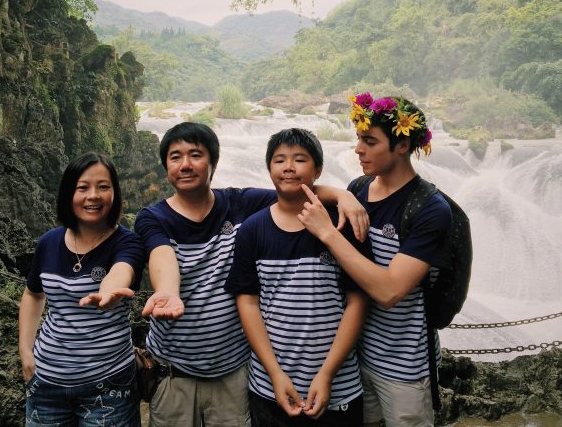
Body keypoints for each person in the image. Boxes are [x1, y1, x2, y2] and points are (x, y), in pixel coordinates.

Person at [134, 122, 369, 427]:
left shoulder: (242, 204)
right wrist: (167, 290)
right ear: (166, 167)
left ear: (213, 163)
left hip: (234, 373)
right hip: (173, 373)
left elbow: (292, 189)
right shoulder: (153, 217)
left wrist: (343, 196)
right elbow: (161, 254)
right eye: (175, 157)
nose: (186, 165)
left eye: (196, 155)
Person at [298, 94, 452, 427]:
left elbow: (389, 292)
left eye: (369, 141)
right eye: (358, 139)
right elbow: (304, 189)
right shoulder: (359, 189)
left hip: (405, 368)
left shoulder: (428, 209)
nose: (358, 149)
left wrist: (328, 234)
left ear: (402, 144)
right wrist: (341, 195)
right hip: (357, 359)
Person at [225, 128, 369, 427]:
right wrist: (275, 374)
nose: (288, 167)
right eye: (279, 160)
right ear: (269, 169)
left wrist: (327, 374)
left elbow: (357, 302)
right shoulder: (252, 230)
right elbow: (248, 304)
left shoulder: (341, 224)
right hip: (269, 386)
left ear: (317, 170)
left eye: (299, 159)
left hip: (339, 385)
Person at [19, 152, 144, 427]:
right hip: (46, 383)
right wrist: (25, 351)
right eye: (83, 187)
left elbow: (122, 271)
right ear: (68, 193)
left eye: (103, 187)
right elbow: (33, 294)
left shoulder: (128, 242)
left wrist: (109, 291)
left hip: (108, 385)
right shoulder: (49, 242)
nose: (93, 196)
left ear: (115, 193)